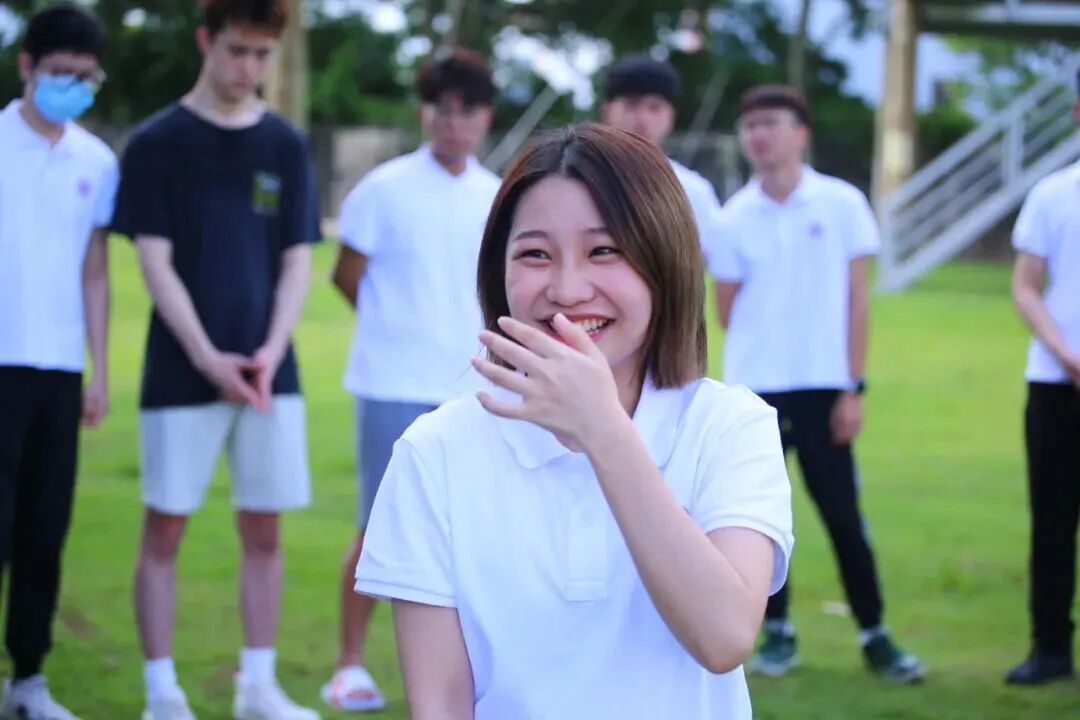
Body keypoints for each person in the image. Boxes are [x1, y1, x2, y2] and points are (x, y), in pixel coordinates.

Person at [355, 123, 794, 719]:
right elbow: (440, 705)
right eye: (535, 254)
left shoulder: (729, 427)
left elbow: (724, 636)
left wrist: (604, 431)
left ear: (664, 261)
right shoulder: (434, 451)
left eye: (603, 251)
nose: (566, 290)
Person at [111, 1, 321, 718]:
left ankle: (257, 687)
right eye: (237, 50)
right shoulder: (156, 142)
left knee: (265, 531)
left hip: (268, 373)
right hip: (181, 370)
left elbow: (297, 258)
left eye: (262, 55)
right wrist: (206, 357)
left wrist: (269, 349)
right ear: (206, 40)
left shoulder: (284, 144)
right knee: (165, 527)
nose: (248, 68)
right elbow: (154, 262)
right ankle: (161, 692)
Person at [707, 85, 924, 682]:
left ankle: (875, 634)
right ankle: (777, 633)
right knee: (760, 521)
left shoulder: (841, 203)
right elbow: (726, 309)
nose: (760, 135)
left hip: (825, 388)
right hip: (755, 392)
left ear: (801, 132)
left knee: (843, 516)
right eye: (751, 125)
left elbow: (858, 300)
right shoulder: (732, 217)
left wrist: (853, 386)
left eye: (771, 123)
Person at [323, 48, 500, 712]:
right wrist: (396, 330)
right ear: (426, 113)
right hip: (392, 384)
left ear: (486, 117)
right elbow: (346, 276)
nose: (455, 123)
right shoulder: (384, 188)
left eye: (469, 111)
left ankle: (471, 672)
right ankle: (349, 665)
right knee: (378, 527)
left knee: (474, 535)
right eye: (443, 110)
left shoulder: (497, 194)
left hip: (474, 387)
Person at [0, 5, 116, 719]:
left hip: (59, 370)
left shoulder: (96, 162)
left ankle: (28, 680)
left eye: (84, 77)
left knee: (44, 531)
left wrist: (99, 368)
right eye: (58, 73)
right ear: (26, 67)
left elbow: (95, 270)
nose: (70, 87)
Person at [1006, 82, 1080, 684]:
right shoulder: (1054, 194)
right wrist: (1066, 353)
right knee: (1053, 522)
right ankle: (1050, 648)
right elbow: (1026, 285)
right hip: (1057, 385)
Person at [599, 54, 723, 255]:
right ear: (607, 110)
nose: (642, 118)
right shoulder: (581, 181)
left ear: (671, 115)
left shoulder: (692, 191)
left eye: (654, 107)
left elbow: (711, 260)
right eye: (631, 105)